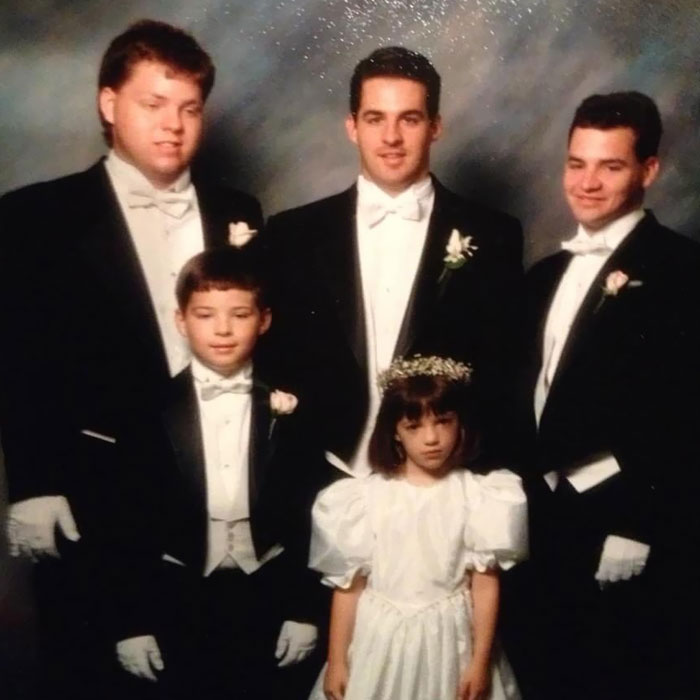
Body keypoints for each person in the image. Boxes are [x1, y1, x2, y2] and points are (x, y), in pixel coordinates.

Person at [0, 19, 262, 697]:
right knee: (91, 676)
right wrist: (31, 483)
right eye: (153, 104)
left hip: (215, 495)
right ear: (109, 104)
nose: (174, 125)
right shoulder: (34, 217)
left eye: (190, 108)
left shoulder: (239, 210)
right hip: (92, 493)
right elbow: (17, 357)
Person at [516, 92, 700, 699]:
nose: (587, 182)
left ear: (649, 170)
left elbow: (686, 414)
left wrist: (638, 524)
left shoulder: (681, 269)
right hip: (542, 519)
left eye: (610, 166)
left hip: (622, 524)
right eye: (576, 163)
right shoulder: (543, 274)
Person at [265, 46, 523, 477]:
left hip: (443, 482)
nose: (391, 137)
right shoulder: (291, 234)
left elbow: (501, 378)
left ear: (435, 126)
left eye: (409, 118)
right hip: (322, 478)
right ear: (351, 127)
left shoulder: (494, 235)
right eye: (375, 119)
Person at [105, 246, 331, 699]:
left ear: (264, 320)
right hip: (177, 594)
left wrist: (304, 611)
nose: (223, 329)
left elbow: (315, 515)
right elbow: (122, 524)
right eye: (205, 315)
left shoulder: (294, 406)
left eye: (240, 314)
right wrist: (132, 624)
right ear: (180, 320)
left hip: (270, 591)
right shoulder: (145, 410)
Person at [308, 355, 527, 700]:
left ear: (460, 425)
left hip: (451, 641)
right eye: (414, 427)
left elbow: (485, 585)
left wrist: (480, 661)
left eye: (443, 422)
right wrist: (337, 660)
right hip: (379, 638)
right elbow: (348, 588)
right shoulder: (365, 497)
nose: (431, 438)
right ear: (395, 432)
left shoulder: (480, 495)